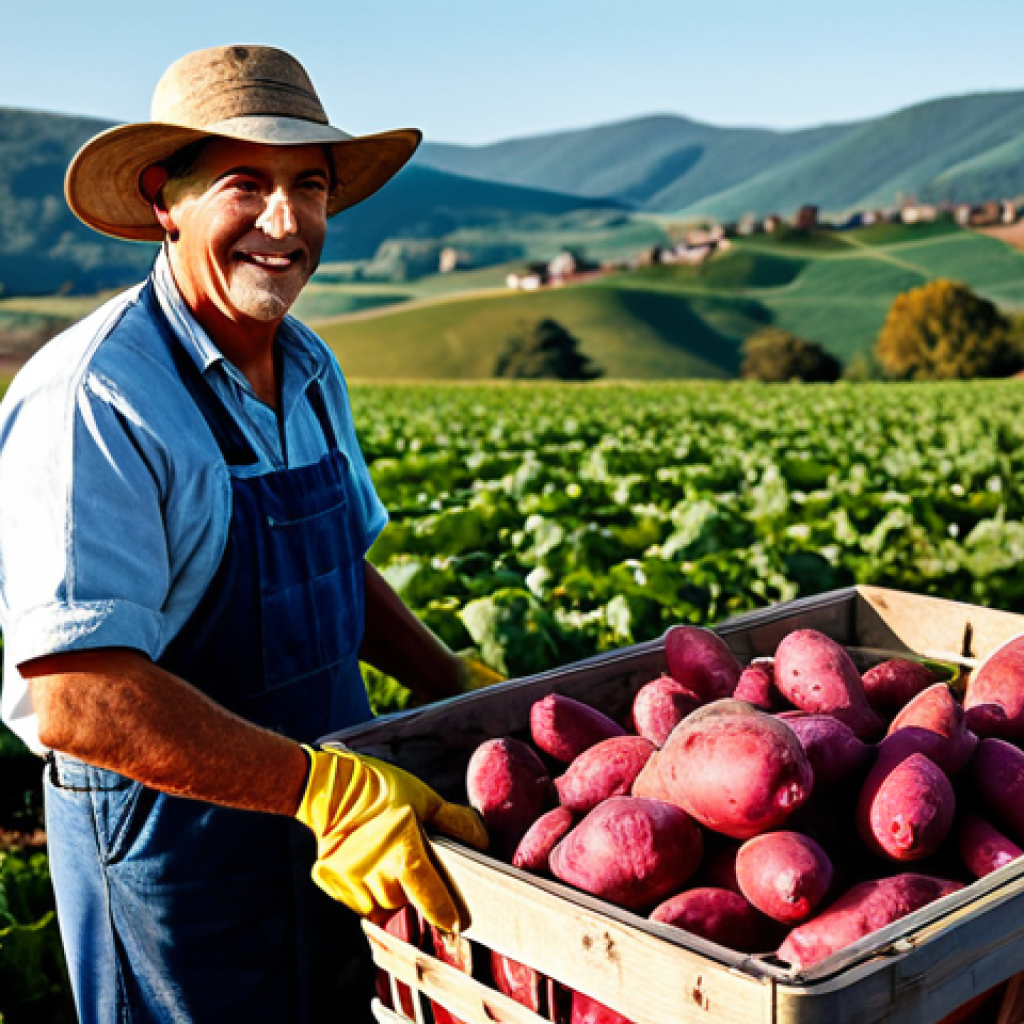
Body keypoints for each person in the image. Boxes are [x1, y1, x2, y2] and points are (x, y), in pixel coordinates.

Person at [0, 44, 496, 1023]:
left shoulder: (308, 366)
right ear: (163, 199)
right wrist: (324, 790)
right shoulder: (97, 394)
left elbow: (331, 570)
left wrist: (460, 685)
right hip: (177, 851)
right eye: (245, 184)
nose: (285, 222)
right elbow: (77, 696)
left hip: (335, 833)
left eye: (307, 186)